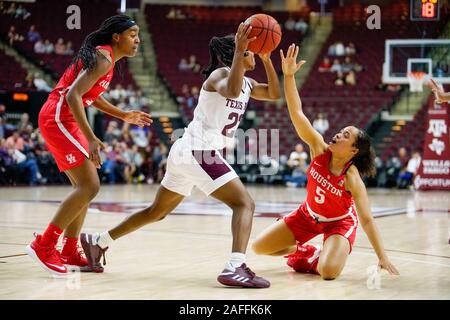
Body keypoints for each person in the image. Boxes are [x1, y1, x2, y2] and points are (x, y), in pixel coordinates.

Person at [80, 22, 281, 288]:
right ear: (236, 54)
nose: (253, 54)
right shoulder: (220, 75)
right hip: (199, 151)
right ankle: (235, 266)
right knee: (244, 204)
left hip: (190, 152)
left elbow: (275, 94)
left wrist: (267, 60)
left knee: (156, 212)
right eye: (249, 52)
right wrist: (239, 52)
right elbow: (230, 91)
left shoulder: (248, 83)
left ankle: (98, 241)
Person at [252, 44, 399, 280]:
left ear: (353, 150)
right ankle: (305, 250)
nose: (338, 134)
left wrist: (382, 256)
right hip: (307, 215)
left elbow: (368, 220)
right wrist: (289, 76)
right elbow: (297, 112)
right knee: (259, 247)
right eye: (340, 131)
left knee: (329, 273)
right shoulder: (318, 149)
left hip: (338, 224)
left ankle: (315, 258)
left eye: (345, 135)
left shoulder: (352, 178)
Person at [25, 15, 152, 276]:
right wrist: (91, 137)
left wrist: (123, 114)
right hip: (59, 116)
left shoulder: (107, 60)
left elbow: (90, 96)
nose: (138, 39)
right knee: (89, 185)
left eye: (138, 34)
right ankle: (44, 244)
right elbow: (73, 95)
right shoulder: (104, 57)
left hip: (66, 118)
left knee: (84, 188)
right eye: (132, 34)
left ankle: (70, 249)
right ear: (116, 37)